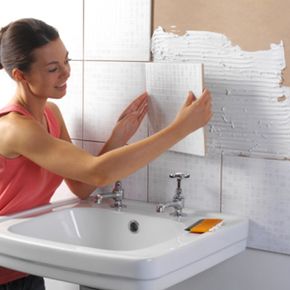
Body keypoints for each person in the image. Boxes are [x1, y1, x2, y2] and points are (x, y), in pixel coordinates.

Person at [0, 18, 212, 289]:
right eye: (53, 68)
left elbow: (82, 186)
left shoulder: (51, 115)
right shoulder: (14, 128)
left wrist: (117, 138)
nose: (66, 73)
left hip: (23, 263)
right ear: (21, 75)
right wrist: (181, 128)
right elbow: (98, 173)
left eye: (67, 61)